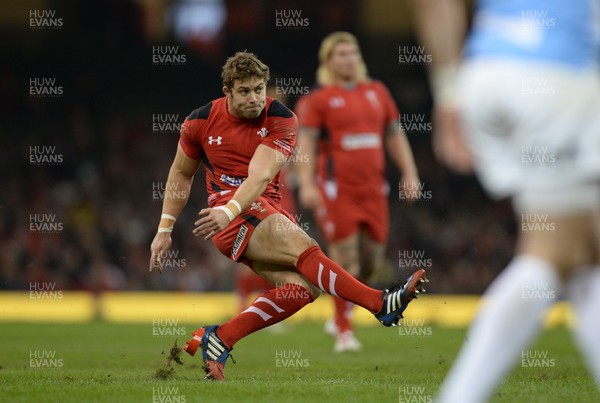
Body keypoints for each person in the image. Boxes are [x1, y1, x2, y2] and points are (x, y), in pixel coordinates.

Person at [148, 51, 428, 381]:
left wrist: (229, 210)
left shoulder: (281, 118)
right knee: (305, 245)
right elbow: (181, 174)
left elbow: (261, 175)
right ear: (227, 90)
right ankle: (381, 304)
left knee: (304, 289)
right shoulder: (199, 121)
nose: (255, 98)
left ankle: (219, 338)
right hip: (231, 217)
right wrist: (164, 228)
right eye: (245, 91)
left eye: (259, 89)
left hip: (247, 210)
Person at [412, 0, 600, 401]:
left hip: (485, 74)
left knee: (587, 250)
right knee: (551, 254)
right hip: (558, 76)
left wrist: (448, 93)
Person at [295, 32, 421, 352]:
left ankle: (345, 307)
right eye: (341, 54)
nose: (349, 58)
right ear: (328, 62)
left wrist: (409, 172)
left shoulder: (377, 93)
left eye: (352, 52)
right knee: (346, 259)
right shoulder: (318, 100)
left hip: (374, 190)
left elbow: (394, 134)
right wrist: (307, 183)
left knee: (371, 261)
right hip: (337, 191)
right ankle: (343, 331)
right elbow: (305, 144)